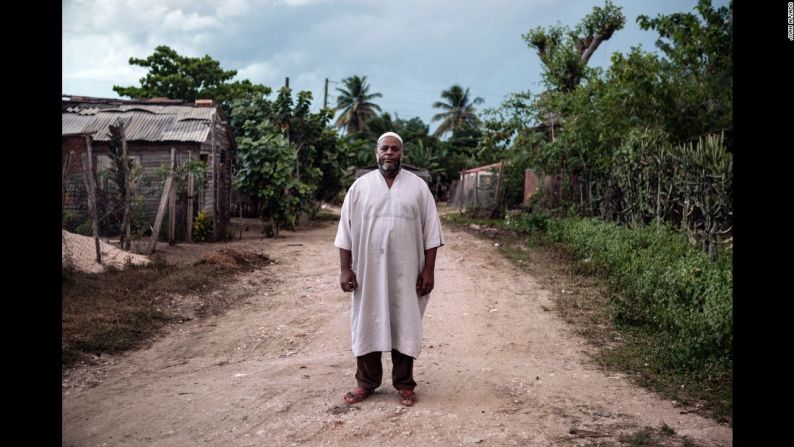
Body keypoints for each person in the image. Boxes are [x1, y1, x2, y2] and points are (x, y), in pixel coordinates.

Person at [334, 131, 444, 407]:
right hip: (368, 272)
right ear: (377, 152)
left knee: (405, 322)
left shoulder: (418, 188)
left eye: (395, 149)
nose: (389, 153)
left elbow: (431, 233)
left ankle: (405, 384)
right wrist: (345, 269)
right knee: (367, 321)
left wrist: (428, 271)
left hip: (406, 273)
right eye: (385, 148)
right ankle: (366, 383)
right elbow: (344, 233)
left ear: (401, 154)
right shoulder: (360, 188)